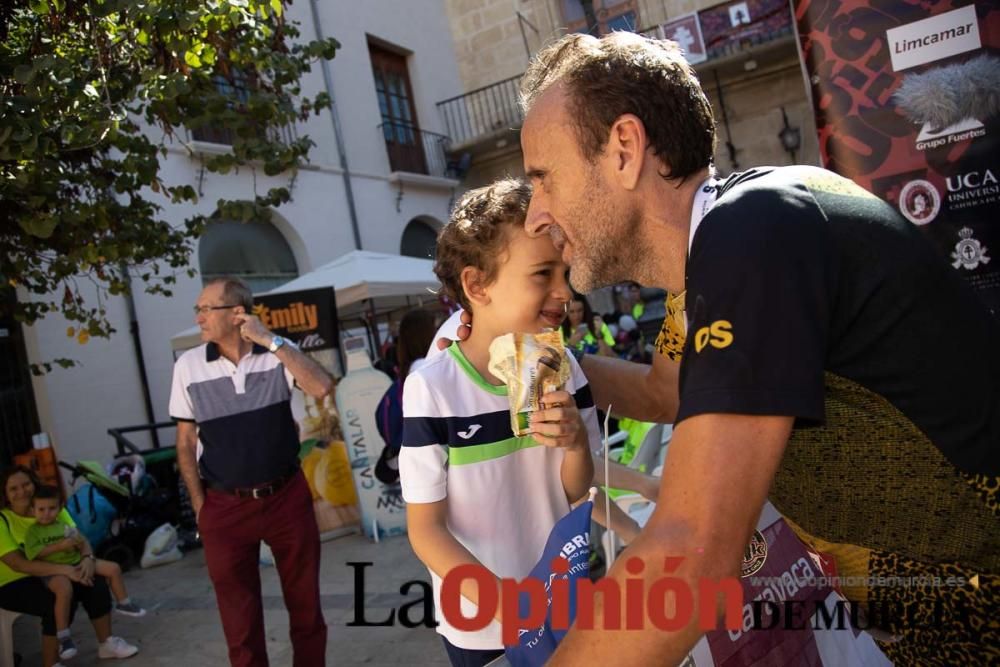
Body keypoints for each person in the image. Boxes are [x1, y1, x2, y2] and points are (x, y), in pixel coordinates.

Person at [454, 31, 997, 665]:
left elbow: (691, 551)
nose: (537, 214)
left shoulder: (753, 230)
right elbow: (667, 391)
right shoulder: (716, 254)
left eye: (544, 178)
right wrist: (534, 362)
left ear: (624, 150)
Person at [400, 178, 598, 666]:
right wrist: (509, 608)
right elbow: (426, 531)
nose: (563, 292)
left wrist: (574, 445)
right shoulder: (433, 389)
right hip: (483, 626)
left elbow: (579, 491)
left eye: (565, 271)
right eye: (542, 274)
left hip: (565, 602)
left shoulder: (566, 368)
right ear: (476, 285)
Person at [169, 276, 334, 667]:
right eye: (199, 309)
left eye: (206, 308)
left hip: (286, 498)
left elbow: (322, 386)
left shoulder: (278, 353)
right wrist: (199, 505)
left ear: (237, 313)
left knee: (306, 608)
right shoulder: (187, 366)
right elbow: (185, 442)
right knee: (239, 623)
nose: (199, 318)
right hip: (224, 506)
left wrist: (271, 341)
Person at [0, 466, 138, 666]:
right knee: (54, 599)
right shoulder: (3, 520)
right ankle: (51, 662)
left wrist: (87, 559)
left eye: (26, 484)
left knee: (94, 580)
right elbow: (18, 564)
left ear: (34, 483)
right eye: (13, 489)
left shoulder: (51, 506)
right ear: (5, 494)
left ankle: (107, 644)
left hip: (57, 570)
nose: (22, 491)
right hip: (14, 581)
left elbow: (80, 539)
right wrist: (66, 570)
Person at [24, 485, 146, 660]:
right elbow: (33, 554)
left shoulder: (64, 525)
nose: (46, 513)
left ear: (59, 508)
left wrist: (80, 549)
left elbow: (82, 542)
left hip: (75, 562)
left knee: (113, 568)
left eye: (52, 508)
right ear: (32, 510)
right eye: (41, 509)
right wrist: (59, 546)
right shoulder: (33, 532)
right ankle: (63, 636)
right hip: (53, 570)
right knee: (64, 590)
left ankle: (124, 602)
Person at [373, 307, 438, 485]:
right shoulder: (425, 368)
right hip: (435, 465)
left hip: (418, 467)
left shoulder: (410, 371)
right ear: (426, 335)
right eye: (436, 329)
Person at [561, 292, 615, 357]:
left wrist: (599, 335)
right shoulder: (560, 331)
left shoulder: (599, 325)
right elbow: (561, 362)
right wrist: (571, 345)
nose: (576, 316)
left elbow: (611, 356)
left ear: (585, 309)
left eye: (580, 310)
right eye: (571, 312)